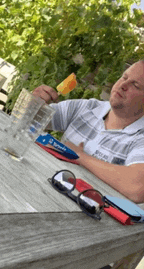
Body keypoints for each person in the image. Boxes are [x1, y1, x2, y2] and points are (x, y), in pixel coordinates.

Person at [33, 60, 144, 203]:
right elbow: (32, 119)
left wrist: (78, 156)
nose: (123, 85)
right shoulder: (87, 107)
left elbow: (137, 188)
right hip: (43, 189)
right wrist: (34, 102)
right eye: (124, 77)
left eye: (135, 85)